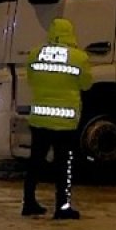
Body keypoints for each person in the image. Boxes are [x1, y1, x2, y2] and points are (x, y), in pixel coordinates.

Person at [23, 18, 92, 219]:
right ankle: (62, 207)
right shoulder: (78, 57)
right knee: (64, 165)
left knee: (35, 162)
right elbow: (86, 84)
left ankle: (29, 202)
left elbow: (30, 79)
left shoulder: (36, 53)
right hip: (65, 122)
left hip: (39, 119)